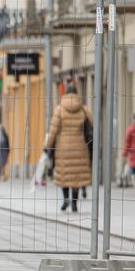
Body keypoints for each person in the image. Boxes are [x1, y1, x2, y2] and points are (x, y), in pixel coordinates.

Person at [45, 84, 92, 212]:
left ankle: (66, 199)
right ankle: (75, 203)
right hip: (80, 147)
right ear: (77, 93)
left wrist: (48, 146)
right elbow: (92, 126)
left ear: (65, 93)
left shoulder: (59, 109)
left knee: (64, 174)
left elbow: (53, 130)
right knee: (76, 176)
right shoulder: (83, 109)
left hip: (63, 147)